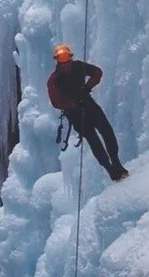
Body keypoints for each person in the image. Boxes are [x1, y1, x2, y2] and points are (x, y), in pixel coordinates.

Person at [46, 43, 128, 181]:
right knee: (93, 138)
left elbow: (97, 72)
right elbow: (56, 102)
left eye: (67, 59)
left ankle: (116, 163)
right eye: (62, 60)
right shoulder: (54, 80)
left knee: (106, 131)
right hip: (74, 113)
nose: (65, 63)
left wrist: (88, 87)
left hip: (88, 104)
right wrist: (72, 103)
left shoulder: (78, 66)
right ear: (57, 61)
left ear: (71, 59)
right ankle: (109, 168)